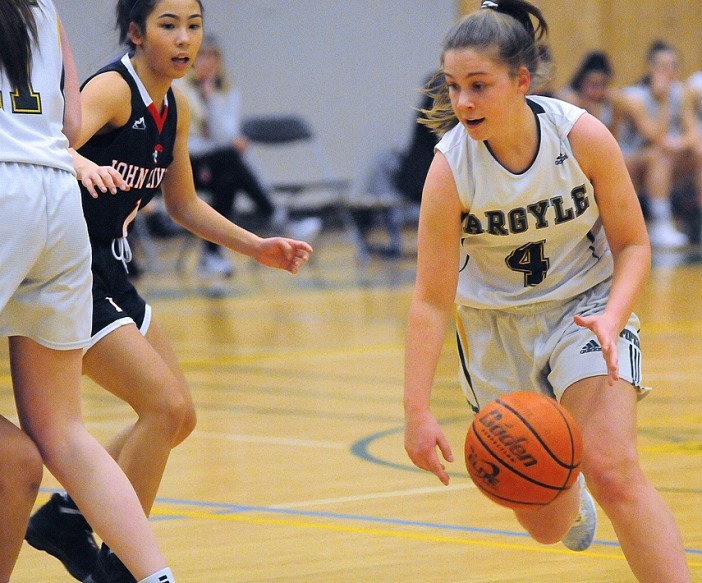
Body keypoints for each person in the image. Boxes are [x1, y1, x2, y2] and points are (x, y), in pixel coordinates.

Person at [25, 0, 314, 582]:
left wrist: (256, 246)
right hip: (69, 268)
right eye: (168, 25)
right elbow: (47, 142)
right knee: (164, 408)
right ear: (135, 32)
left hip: (112, 268)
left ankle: (66, 515)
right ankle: (123, 566)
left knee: (179, 418)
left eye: (194, 26)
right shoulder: (111, 89)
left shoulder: (171, 106)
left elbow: (182, 204)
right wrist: (77, 163)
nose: (184, 39)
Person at [403, 2, 690, 582]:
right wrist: (416, 412)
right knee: (547, 524)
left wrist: (613, 317)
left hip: (583, 310)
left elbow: (634, 244)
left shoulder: (580, 136)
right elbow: (432, 301)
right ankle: (567, 484)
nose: (463, 103)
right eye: (454, 87)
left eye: (479, 86)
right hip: (493, 329)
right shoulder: (450, 169)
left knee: (613, 467)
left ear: (522, 81)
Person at [0, 2, 176, 583]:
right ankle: (154, 578)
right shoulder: (43, 7)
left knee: (19, 455)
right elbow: (69, 123)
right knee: (62, 431)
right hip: (55, 195)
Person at [177, 34, 321, 277]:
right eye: (202, 56)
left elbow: (226, 134)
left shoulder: (226, 92)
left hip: (217, 165)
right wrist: (221, 141)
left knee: (228, 176)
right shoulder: (180, 89)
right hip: (186, 165)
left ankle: (212, 256)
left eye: (213, 56)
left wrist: (211, 98)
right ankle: (278, 217)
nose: (208, 62)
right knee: (231, 159)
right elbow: (192, 141)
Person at [617, 40, 699, 248]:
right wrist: (663, 101)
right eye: (662, 66)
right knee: (659, 155)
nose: (668, 71)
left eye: (673, 66)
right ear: (650, 69)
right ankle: (661, 223)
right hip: (632, 161)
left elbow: (692, 135)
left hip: (666, 156)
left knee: (698, 154)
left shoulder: (682, 93)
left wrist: (680, 144)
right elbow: (656, 136)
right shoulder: (633, 97)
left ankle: (698, 216)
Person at [556, 50, 624, 132]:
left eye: (603, 85)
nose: (599, 91)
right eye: (594, 85)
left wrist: (616, 113)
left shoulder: (611, 102)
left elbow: (613, 136)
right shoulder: (569, 99)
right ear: (581, 82)